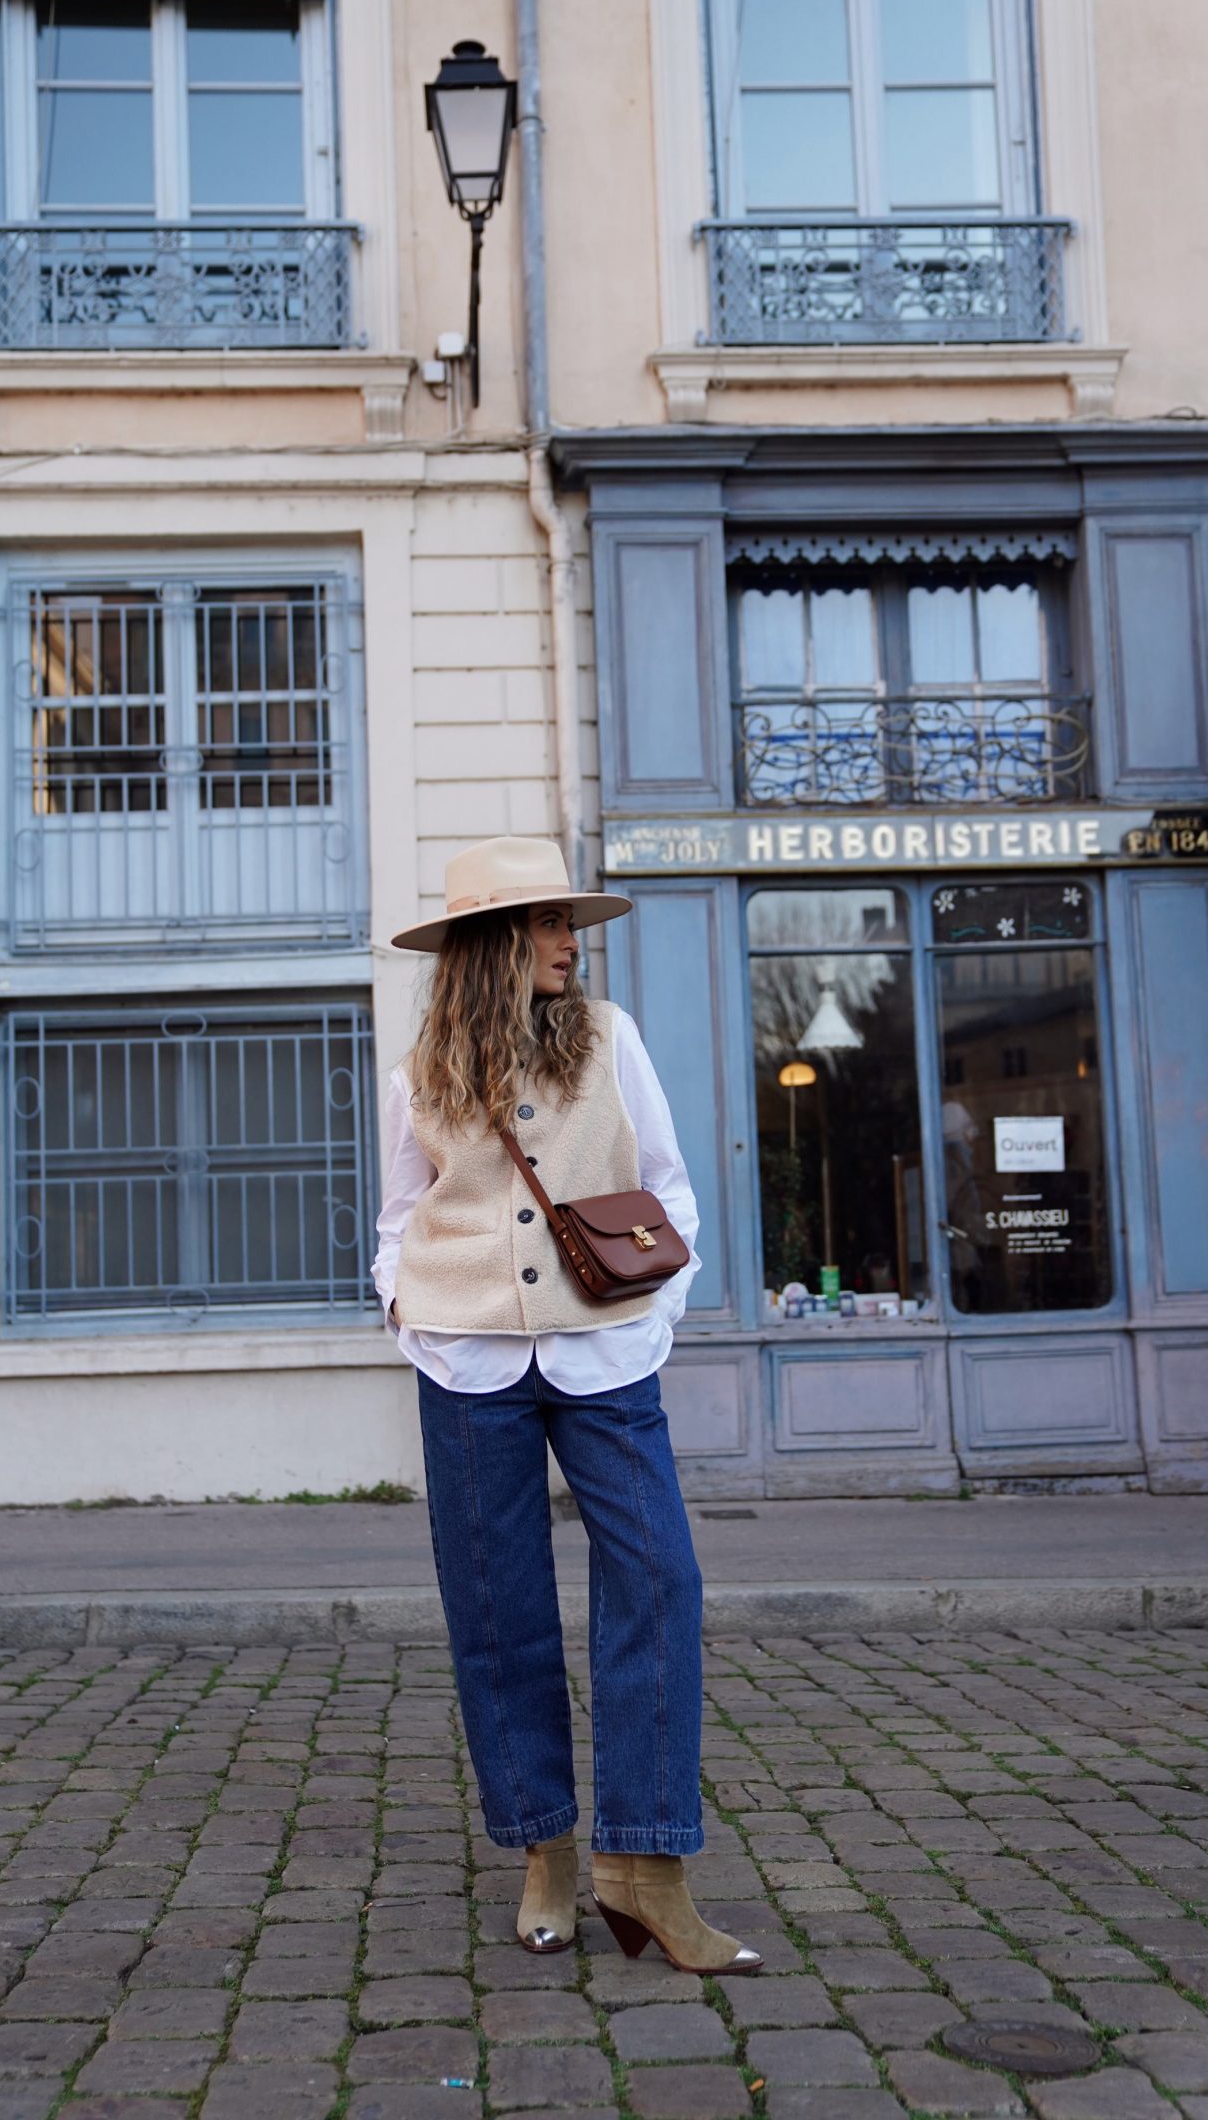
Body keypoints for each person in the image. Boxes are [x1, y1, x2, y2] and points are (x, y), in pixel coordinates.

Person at [373, 835, 761, 1975]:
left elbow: (668, 1182)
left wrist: (654, 1320)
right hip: (466, 1363)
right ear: (495, 942)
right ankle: (543, 1849)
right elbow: (399, 1217)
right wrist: (406, 1313)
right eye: (548, 923)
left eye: (568, 923)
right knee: (498, 1612)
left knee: (660, 1577)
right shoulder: (418, 1073)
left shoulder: (611, 1038)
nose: (569, 942)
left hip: (606, 1354)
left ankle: (647, 1864)